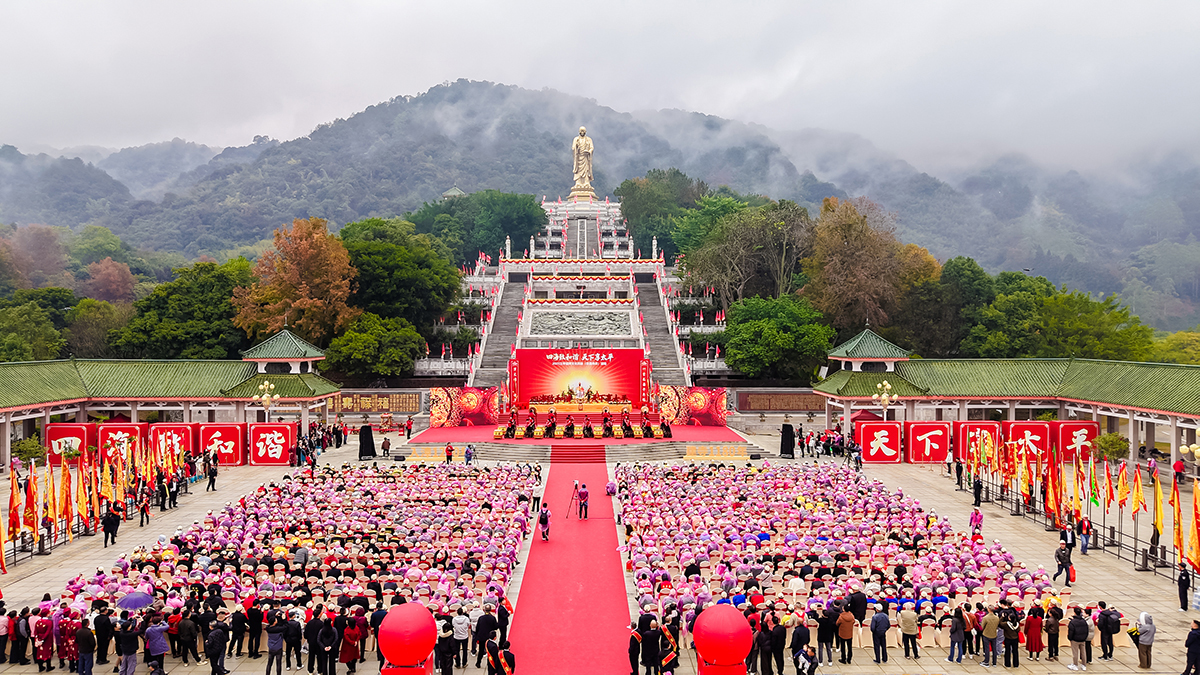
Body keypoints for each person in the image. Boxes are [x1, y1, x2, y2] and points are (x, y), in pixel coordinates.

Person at [1066, 607, 1088, 671]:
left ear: (1074, 613)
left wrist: (1070, 638)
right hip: (1083, 639)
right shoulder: (1084, 621)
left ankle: (1075, 665)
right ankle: (1084, 665)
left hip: (1075, 639)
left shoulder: (1073, 622)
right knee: (1083, 652)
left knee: (1075, 653)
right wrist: (1085, 637)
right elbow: (1087, 630)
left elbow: (1071, 631)